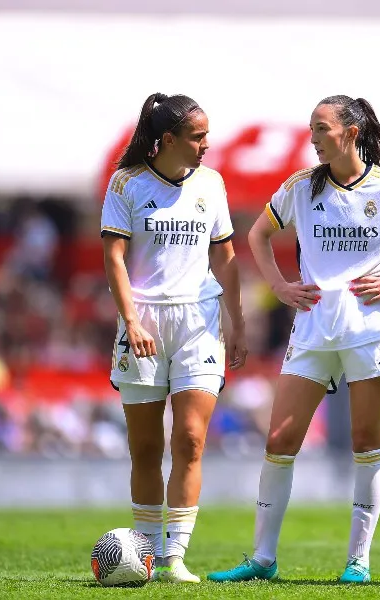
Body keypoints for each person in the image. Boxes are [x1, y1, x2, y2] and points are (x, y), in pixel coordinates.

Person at [208, 95, 380, 584]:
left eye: (321, 128)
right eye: (311, 128)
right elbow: (258, 235)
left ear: (351, 131)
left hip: (372, 330)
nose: (313, 137)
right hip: (313, 329)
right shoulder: (301, 187)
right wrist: (280, 286)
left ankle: (358, 561)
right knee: (280, 439)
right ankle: (262, 558)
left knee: (366, 442)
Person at [101, 92, 248, 583]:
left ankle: (173, 558)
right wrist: (133, 321)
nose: (208, 144)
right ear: (168, 140)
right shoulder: (126, 184)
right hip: (142, 322)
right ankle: (140, 554)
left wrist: (239, 321)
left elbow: (225, 257)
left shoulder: (212, 183)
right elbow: (115, 258)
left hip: (199, 322)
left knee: (189, 439)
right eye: (199, 136)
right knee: (145, 448)